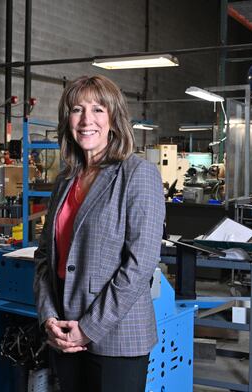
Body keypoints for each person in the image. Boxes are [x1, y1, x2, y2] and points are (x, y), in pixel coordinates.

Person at [33, 75, 165, 392]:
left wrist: (89, 328)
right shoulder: (65, 181)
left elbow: (140, 265)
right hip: (64, 333)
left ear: (114, 119)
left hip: (117, 338)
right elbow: (44, 258)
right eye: (77, 110)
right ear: (68, 120)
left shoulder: (138, 175)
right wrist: (49, 319)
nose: (86, 120)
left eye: (98, 110)